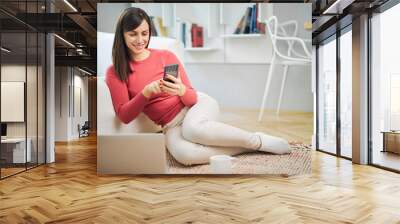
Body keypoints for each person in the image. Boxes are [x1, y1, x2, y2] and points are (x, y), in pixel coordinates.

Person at [106, 7, 292, 166]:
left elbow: (192, 97)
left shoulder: (165, 56)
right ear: (122, 35)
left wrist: (180, 90)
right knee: (185, 156)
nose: (140, 40)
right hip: (170, 125)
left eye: (144, 33)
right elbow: (124, 116)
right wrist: (145, 93)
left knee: (192, 130)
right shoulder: (116, 71)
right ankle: (246, 146)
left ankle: (257, 140)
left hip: (196, 106)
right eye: (133, 34)